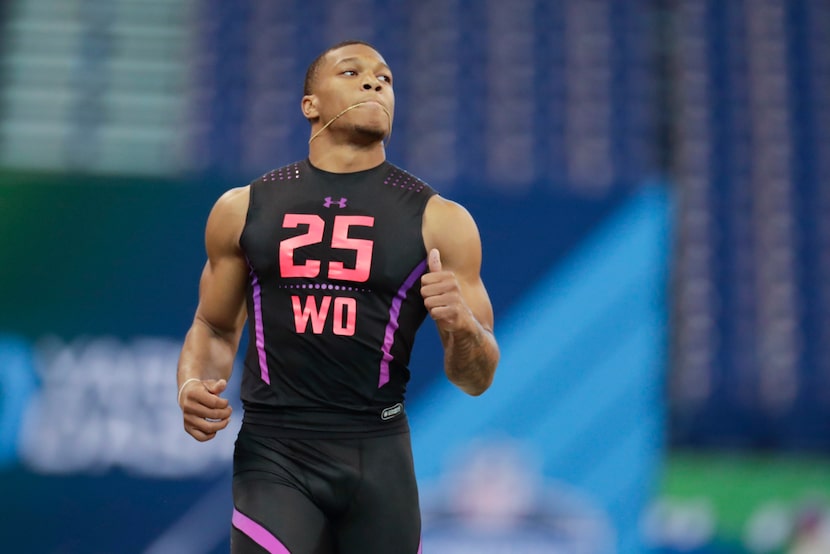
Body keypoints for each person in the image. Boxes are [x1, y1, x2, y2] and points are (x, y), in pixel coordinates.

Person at [176, 40, 499, 554]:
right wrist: (193, 382)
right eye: (352, 72)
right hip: (275, 450)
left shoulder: (442, 220)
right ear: (310, 105)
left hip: (379, 455)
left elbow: (477, 378)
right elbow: (214, 327)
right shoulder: (245, 207)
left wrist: (460, 325)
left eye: (385, 78)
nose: (374, 82)